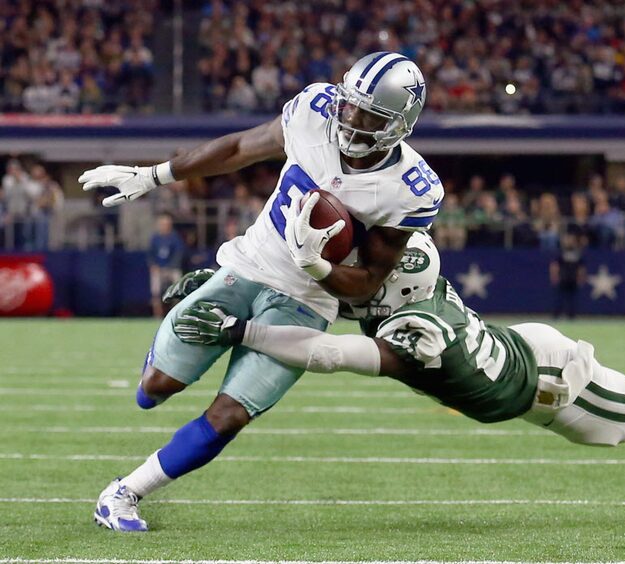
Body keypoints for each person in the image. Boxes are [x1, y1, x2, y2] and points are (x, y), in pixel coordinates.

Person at [79, 52, 441, 532]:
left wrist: (317, 265)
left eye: (369, 115)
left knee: (230, 415)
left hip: (308, 303)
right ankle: (199, 289)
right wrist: (153, 176)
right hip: (248, 265)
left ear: (400, 124)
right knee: (154, 391)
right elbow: (238, 150)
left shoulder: (412, 189)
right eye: (350, 106)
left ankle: (124, 493)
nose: (351, 119)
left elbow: (370, 280)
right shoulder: (316, 109)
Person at [173, 233, 625, 503]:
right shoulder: (405, 290)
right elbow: (327, 291)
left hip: (547, 383)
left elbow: (331, 353)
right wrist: (235, 284)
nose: (363, 279)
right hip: (519, 365)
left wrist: (243, 330)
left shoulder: (415, 328)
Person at [148, 214, 186, 318]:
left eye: (166, 224)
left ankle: (177, 314)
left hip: (172, 268)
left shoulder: (175, 238)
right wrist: (154, 265)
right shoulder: (155, 238)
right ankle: (157, 315)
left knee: (178, 286)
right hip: (159, 269)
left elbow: (178, 254)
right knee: (155, 289)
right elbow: (150, 254)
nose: (164, 226)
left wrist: (170, 267)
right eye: (162, 224)